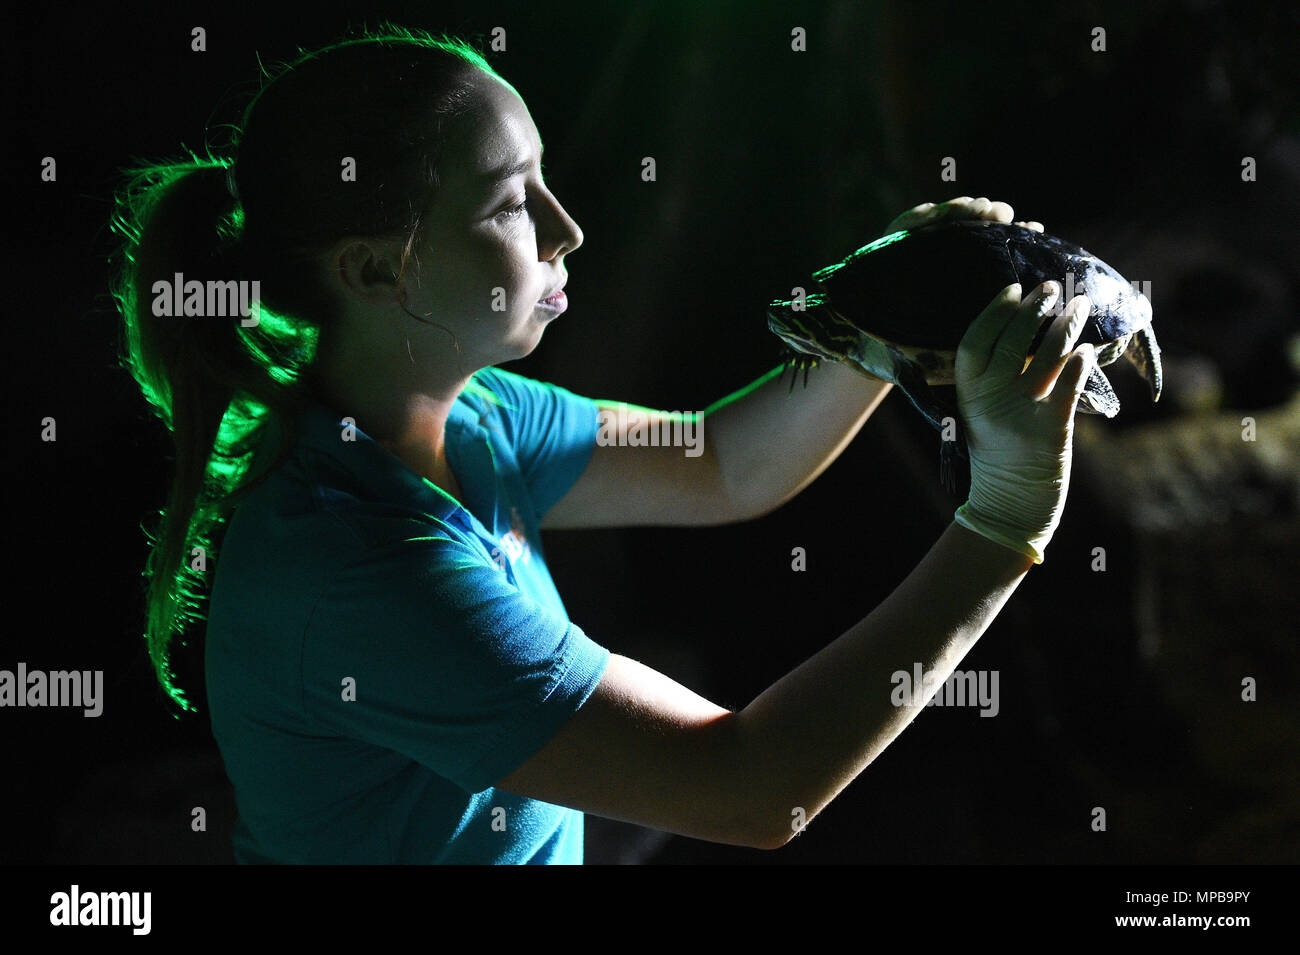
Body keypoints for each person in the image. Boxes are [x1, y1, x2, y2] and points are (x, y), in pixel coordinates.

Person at [112, 26, 1096, 863]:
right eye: (508, 203)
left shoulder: (467, 414)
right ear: (376, 269)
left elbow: (718, 461)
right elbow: (749, 786)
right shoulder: (359, 567)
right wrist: (1001, 520)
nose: (566, 227)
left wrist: (880, 323)